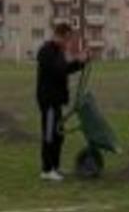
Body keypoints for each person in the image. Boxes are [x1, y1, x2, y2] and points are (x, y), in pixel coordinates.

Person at [36, 23, 88, 181]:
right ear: (59, 35)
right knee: (50, 135)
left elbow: (65, 69)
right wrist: (77, 59)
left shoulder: (58, 51)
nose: (68, 43)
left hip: (56, 101)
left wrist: (81, 62)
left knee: (58, 135)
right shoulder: (46, 51)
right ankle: (47, 170)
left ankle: (55, 167)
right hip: (49, 101)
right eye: (66, 39)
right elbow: (59, 70)